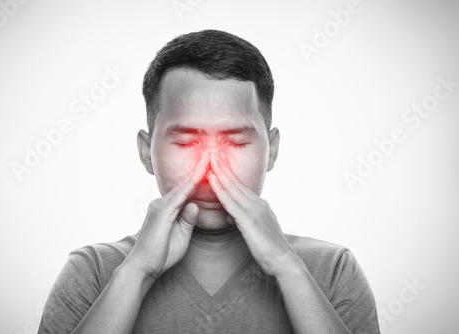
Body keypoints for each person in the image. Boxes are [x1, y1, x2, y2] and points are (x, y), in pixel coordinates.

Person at [38, 29, 380, 334]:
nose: (211, 167)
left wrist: (286, 266)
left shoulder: (333, 270)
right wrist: (137, 272)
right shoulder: (94, 271)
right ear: (146, 153)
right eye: (187, 143)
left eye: (235, 142)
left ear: (271, 151)